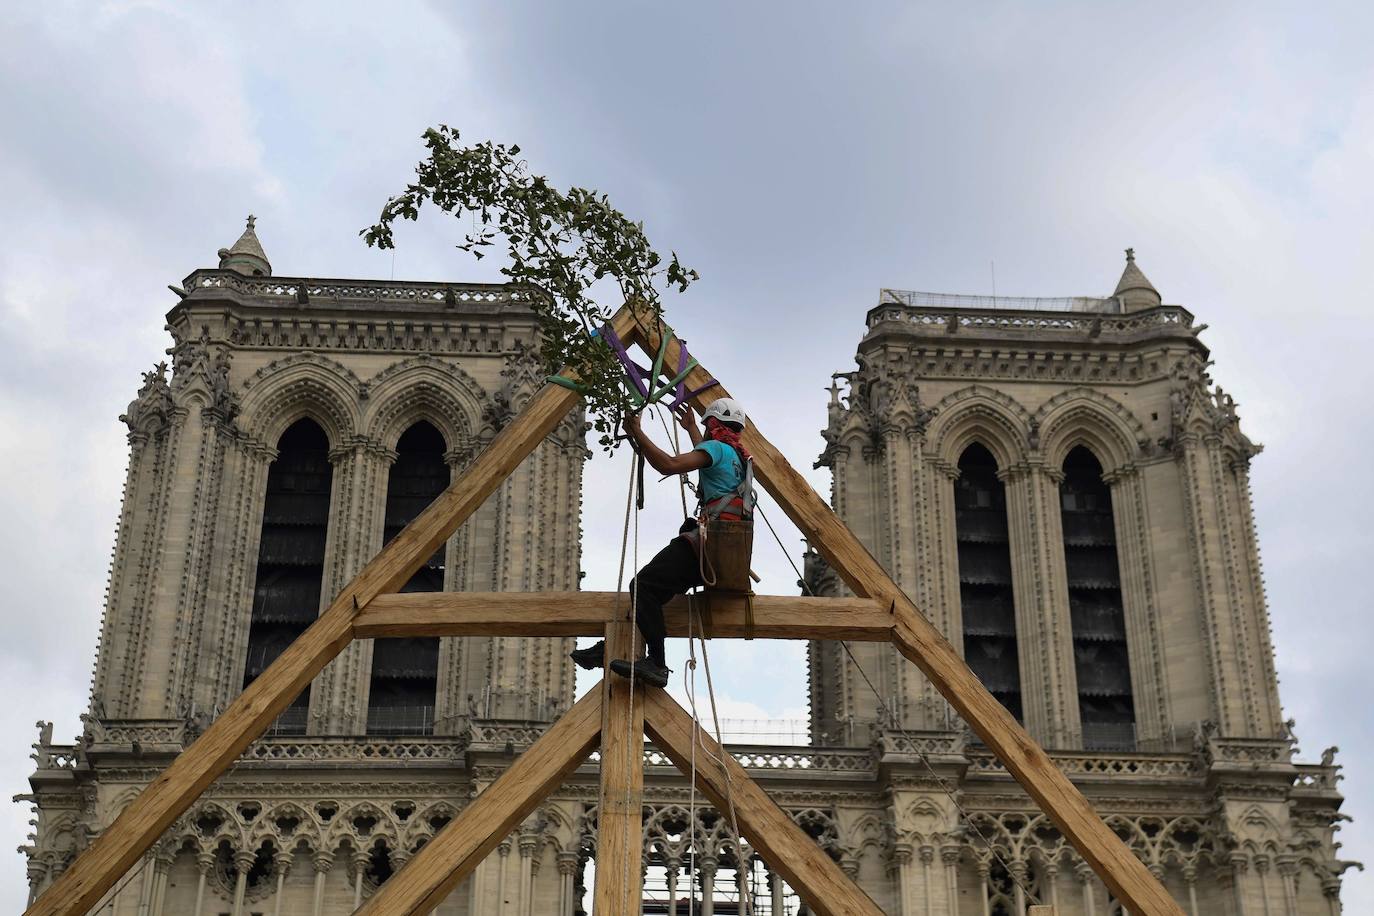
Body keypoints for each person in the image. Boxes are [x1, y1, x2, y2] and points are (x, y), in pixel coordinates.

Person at [569, 397, 752, 688]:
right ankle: (611, 645)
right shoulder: (736, 456)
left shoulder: (716, 448)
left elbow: (668, 465)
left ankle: (657, 663)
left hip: (704, 545)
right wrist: (692, 428)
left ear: (713, 426)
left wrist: (637, 433)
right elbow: (708, 460)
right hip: (722, 550)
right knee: (655, 591)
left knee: (643, 586)